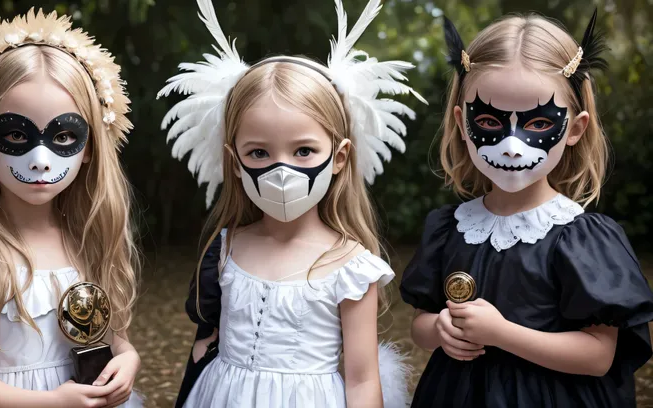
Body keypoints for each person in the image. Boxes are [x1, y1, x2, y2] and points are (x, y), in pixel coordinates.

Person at [158, 0, 427, 407]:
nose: (281, 171)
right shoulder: (226, 247)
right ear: (234, 162)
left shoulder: (352, 267)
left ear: (339, 157)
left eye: (303, 150)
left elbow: (361, 381)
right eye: (260, 153)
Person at [400, 10, 653, 407]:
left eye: (537, 125)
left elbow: (598, 357)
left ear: (574, 128)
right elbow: (421, 324)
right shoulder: (450, 228)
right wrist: (439, 329)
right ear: (462, 124)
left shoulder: (582, 239)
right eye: (488, 120)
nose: (512, 145)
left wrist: (502, 334)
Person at [0, 9, 144, 408]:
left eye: (64, 135)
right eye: (17, 134)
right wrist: (55, 403)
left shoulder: (85, 239)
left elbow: (102, 336)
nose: (40, 159)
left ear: (89, 147)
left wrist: (128, 357)